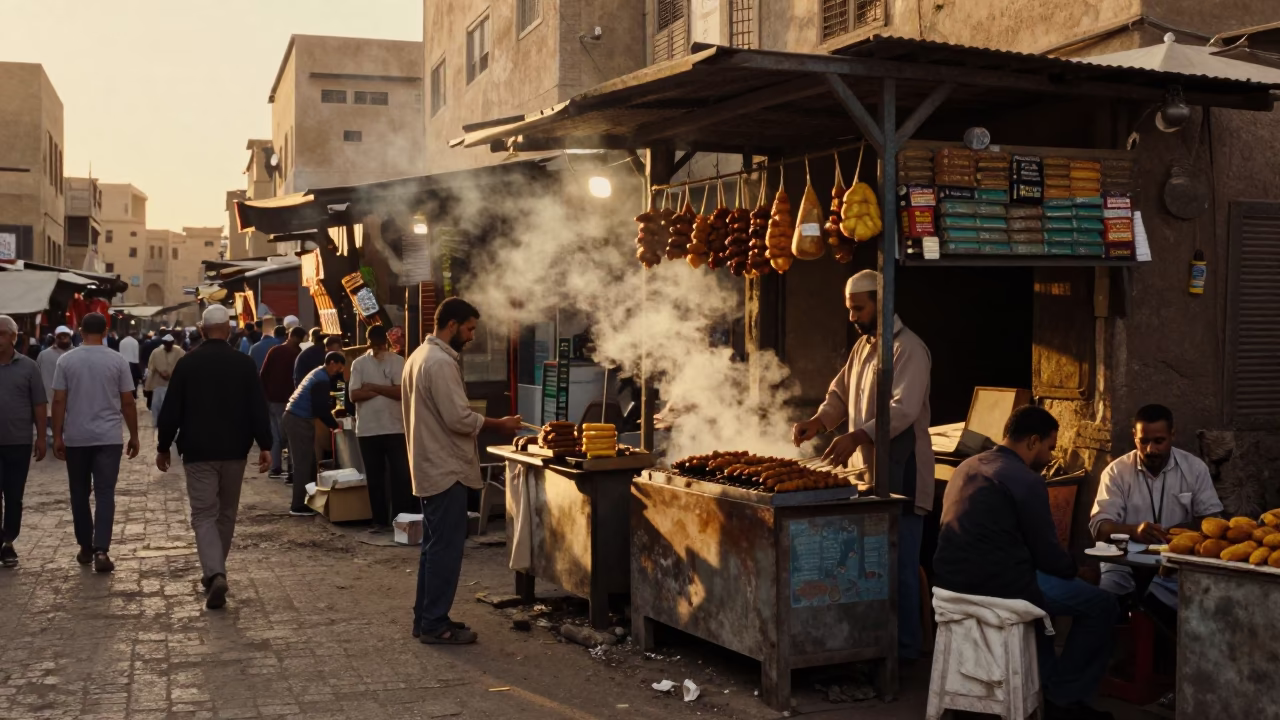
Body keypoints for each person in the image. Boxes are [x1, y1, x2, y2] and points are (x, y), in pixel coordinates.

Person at [934, 406, 1117, 720]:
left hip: (949, 584)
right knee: (1103, 605)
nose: (1049, 456)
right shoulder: (1025, 479)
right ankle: (1065, 697)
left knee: (1041, 607)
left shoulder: (967, 465)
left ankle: (1044, 688)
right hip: (1000, 589)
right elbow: (1049, 553)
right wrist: (1079, 572)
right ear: (1033, 441)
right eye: (1049, 447)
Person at [790, 269, 933, 661]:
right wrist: (817, 422)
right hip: (866, 477)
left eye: (859, 308)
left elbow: (902, 411)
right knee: (870, 570)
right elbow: (839, 393)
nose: (852, 316)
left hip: (902, 474)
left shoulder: (910, 350)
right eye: (849, 308)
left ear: (881, 305)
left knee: (901, 568)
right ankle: (872, 646)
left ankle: (904, 653)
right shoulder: (863, 348)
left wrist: (856, 436)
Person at [404, 298, 522, 645]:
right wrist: (499, 424)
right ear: (452, 325)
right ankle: (433, 624)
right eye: (469, 328)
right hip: (444, 469)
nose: (471, 336)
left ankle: (426, 618)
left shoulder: (419, 357)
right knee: (444, 550)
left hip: (433, 465)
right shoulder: (438, 362)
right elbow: (458, 419)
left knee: (434, 548)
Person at [157, 304, 272, 610]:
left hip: (198, 452)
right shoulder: (244, 364)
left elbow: (172, 409)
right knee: (226, 513)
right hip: (235, 450)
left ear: (203, 330)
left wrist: (163, 445)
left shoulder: (188, 363)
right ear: (230, 329)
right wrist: (265, 444)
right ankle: (215, 570)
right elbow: (257, 408)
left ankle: (214, 571)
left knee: (204, 514)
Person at [1091, 404, 1222, 610]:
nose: (1151, 449)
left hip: (1177, 563)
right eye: (1144, 441)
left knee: (1171, 607)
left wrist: (1180, 533)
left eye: (1159, 441)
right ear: (1134, 436)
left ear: (1172, 435)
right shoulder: (1116, 472)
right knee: (1106, 602)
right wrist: (1133, 531)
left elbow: (1214, 521)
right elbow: (1100, 529)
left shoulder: (1194, 468)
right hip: (1123, 563)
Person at [51, 312, 140, 573]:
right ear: (105, 331)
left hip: (77, 437)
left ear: (80, 330)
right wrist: (134, 435)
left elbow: (58, 400)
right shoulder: (118, 361)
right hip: (108, 437)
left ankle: (84, 547)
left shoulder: (66, 361)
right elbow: (128, 402)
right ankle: (101, 549)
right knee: (105, 493)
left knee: (79, 493)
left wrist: (57, 435)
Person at [349, 325, 412, 532]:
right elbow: (354, 395)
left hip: (393, 427)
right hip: (370, 429)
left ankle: (395, 520)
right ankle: (384, 520)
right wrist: (387, 390)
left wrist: (373, 387)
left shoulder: (398, 361)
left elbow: (401, 393)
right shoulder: (359, 363)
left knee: (396, 477)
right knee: (382, 478)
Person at [0, 315, 48, 568]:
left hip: (18, 441)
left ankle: (8, 541)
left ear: (13, 337)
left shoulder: (28, 367)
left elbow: (40, 405)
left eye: (2, 334)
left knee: (14, 495)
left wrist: (42, 437)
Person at [281, 351, 345, 515]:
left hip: (297, 418)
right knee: (302, 463)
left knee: (310, 462)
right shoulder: (321, 379)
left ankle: (308, 501)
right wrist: (334, 424)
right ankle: (297, 506)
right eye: (339, 368)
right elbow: (320, 409)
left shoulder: (320, 374)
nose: (339, 371)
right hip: (298, 420)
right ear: (331, 363)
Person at [260, 326, 306, 480]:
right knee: (290, 436)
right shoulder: (299, 354)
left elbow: (263, 374)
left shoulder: (275, 351)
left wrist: (264, 396)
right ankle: (292, 469)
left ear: (289, 335)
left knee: (276, 435)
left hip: (273, 399)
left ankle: (275, 467)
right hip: (291, 401)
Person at [37, 326, 73, 432]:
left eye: (65, 336)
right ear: (55, 338)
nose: (63, 338)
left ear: (70, 337)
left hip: (72, 405)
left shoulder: (78, 354)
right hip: (50, 403)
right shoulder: (44, 355)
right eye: (60, 336)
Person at [145, 335, 185, 426]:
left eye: (170, 344)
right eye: (166, 344)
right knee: (156, 405)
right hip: (158, 383)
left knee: (171, 407)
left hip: (173, 384)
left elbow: (184, 366)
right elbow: (150, 366)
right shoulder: (156, 352)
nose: (168, 346)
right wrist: (160, 372)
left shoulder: (180, 352)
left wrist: (172, 374)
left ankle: (169, 424)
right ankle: (156, 423)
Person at [119, 329, 141, 397]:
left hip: (122, 363)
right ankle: (133, 394)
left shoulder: (122, 341)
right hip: (133, 363)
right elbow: (136, 354)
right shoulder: (135, 342)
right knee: (134, 381)